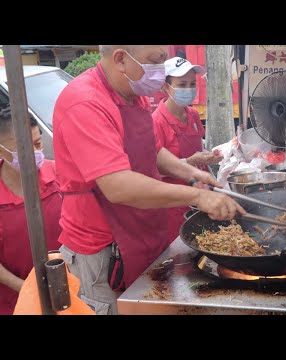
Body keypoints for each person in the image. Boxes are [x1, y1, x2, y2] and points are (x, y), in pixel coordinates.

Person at [52, 45, 244, 315]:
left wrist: (191, 173)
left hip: (142, 232)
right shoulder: (85, 103)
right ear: (121, 58)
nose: (159, 71)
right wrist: (198, 196)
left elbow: (150, 150)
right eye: (155, 61)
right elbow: (116, 186)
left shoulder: (133, 95)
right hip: (105, 251)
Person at [152, 57, 223, 244]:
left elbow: (198, 146)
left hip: (200, 194)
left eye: (192, 84)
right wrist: (190, 161)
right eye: (182, 84)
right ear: (165, 87)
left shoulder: (192, 114)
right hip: (173, 203)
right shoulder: (156, 122)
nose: (189, 89)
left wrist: (210, 156)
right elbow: (155, 169)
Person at [0, 106, 62, 315]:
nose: (36, 153)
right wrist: (29, 288)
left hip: (67, 293)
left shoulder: (58, 175)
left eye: (38, 144)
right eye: (26, 148)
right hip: (15, 304)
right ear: (1, 151)